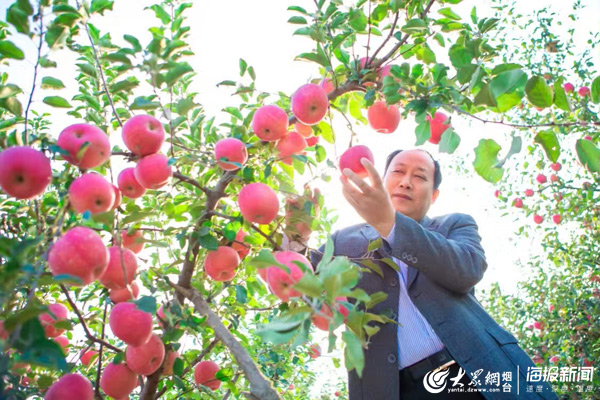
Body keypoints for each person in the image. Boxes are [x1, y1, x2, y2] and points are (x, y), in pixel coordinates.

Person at [309, 149, 558, 399]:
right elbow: (306, 288)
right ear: (382, 181)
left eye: (420, 176)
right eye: (398, 171)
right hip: (398, 390)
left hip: (480, 371)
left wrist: (391, 225)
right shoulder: (341, 242)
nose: (406, 182)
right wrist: (297, 238)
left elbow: (468, 269)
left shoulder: (454, 225)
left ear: (434, 195)